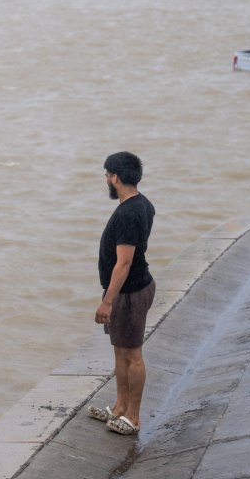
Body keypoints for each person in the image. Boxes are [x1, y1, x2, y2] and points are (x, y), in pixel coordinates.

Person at [86, 151, 156, 436]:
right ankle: (119, 407)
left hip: (130, 292)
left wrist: (107, 301)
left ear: (115, 177)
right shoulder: (143, 203)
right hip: (130, 289)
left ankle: (133, 418)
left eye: (106, 175)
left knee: (132, 354)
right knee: (120, 350)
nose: (106, 180)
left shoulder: (128, 213)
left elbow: (124, 262)